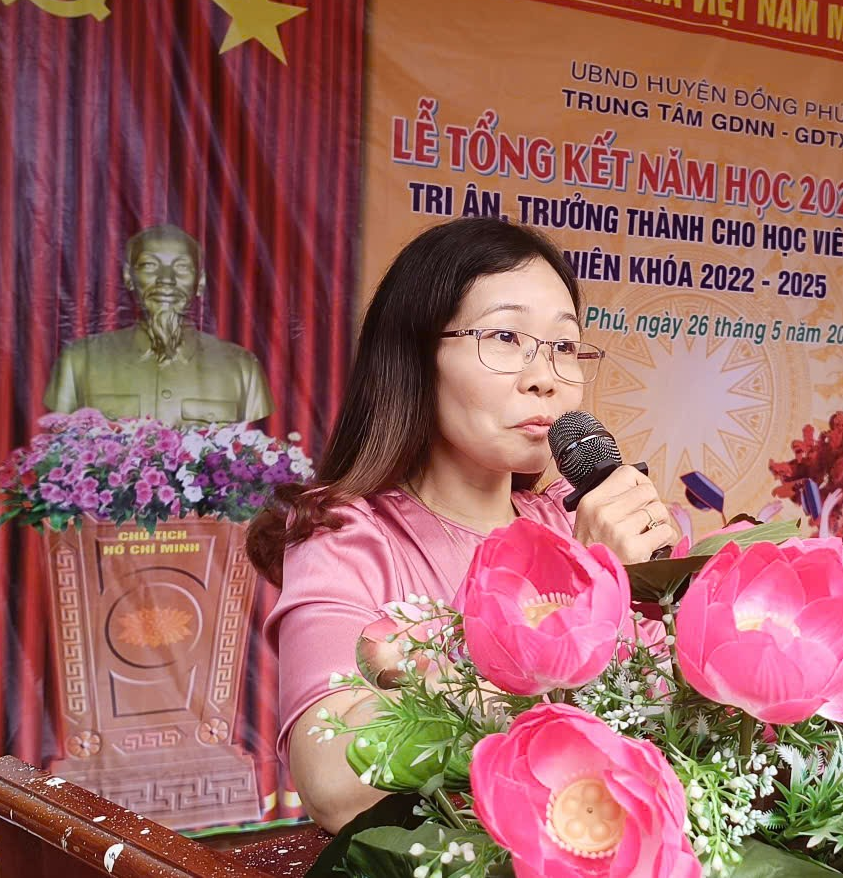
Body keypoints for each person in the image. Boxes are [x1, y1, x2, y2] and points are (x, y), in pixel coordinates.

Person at [246, 218, 678, 833]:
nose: (544, 377)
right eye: (505, 336)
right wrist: (581, 600)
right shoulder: (347, 538)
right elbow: (332, 783)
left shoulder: (577, 521)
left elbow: (680, 731)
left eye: (563, 345)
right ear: (416, 357)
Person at [43, 224, 274, 425]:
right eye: (149, 265)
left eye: (182, 267)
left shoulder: (242, 368)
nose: (166, 279)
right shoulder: (79, 361)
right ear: (128, 277)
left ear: (201, 282)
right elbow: (60, 449)